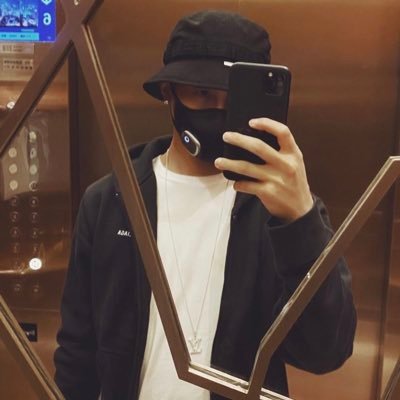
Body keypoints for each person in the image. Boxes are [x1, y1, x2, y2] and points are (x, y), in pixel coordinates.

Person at [54, 9, 357, 400]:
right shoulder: (110, 200)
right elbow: (77, 351)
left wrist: (299, 222)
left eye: (235, 99)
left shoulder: (279, 208)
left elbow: (325, 352)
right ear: (169, 92)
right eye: (202, 93)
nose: (219, 111)